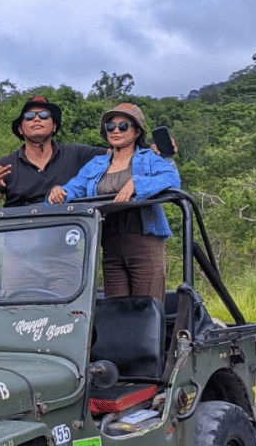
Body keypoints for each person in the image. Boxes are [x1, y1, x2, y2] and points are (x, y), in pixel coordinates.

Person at [47, 103, 181, 302]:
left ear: (136, 131)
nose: (116, 130)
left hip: (144, 241)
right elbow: (76, 186)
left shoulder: (148, 158)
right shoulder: (96, 164)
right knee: (115, 306)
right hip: (109, 242)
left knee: (148, 304)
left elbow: (172, 178)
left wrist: (137, 184)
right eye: (111, 127)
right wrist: (59, 192)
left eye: (123, 126)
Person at [0, 96, 107, 210]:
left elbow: (117, 154)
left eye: (44, 115)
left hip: (68, 230)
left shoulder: (77, 153)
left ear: (54, 126)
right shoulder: (6, 165)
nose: (36, 119)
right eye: (29, 116)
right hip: (21, 231)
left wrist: (128, 183)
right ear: (20, 129)